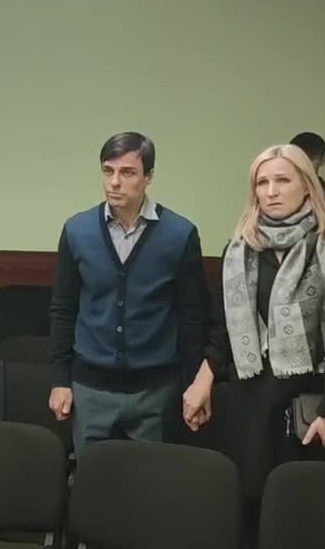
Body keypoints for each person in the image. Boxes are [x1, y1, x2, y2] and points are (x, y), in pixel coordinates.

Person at [181, 144, 325, 543]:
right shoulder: (240, 250)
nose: (270, 191)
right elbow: (223, 327)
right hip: (250, 396)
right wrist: (202, 381)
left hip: (310, 401)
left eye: (282, 180)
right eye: (261, 182)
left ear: (307, 186)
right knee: (247, 508)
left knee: (302, 515)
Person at [48, 131, 208, 453]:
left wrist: (193, 383)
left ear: (148, 177)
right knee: (91, 475)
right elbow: (63, 309)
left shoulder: (180, 234)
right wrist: (60, 380)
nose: (114, 182)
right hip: (91, 388)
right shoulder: (77, 230)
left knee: (151, 478)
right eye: (108, 171)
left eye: (127, 172)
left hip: (156, 390)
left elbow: (193, 316)